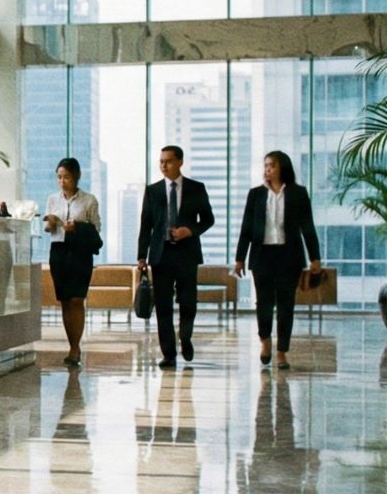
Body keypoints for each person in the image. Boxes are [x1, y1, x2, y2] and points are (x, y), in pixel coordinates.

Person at [234, 151, 321, 369]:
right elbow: (246, 228)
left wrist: (315, 258)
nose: (267, 170)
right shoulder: (255, 194)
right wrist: (239, 258)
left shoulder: (298, 193)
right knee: (263, 302)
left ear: (282, 167)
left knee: (285, 305)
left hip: (288, 256)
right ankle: (265, 341)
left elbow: (307, 228)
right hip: (262, 256)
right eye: (265, 166)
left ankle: (282, 352)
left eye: (271, 165)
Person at [137, 145, 215, 368]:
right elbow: (146, 226)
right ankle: (169, 353)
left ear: (180, 162)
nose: (163, 165)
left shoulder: (196, 188)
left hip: (187, 254)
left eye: (168, 161)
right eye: (161, 161)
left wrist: (189, 231)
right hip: (160, 256)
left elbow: (208, 219)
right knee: (163, 306)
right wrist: (142, 257)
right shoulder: (153, 191)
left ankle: (186, 338)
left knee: (188, 302)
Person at [43, 158, 101, 368]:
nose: (62, 181)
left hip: (80, 253)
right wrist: (50, 223)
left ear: (76, 176)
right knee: (66, 301)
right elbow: (49, 230)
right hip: (59, 251)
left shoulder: (89, 200)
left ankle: (75, 347)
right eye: (59, 177)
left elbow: (96, 228)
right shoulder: (52, 199)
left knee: (77, 300)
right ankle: (72, 344)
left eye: (66, 176)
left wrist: (76, 227)